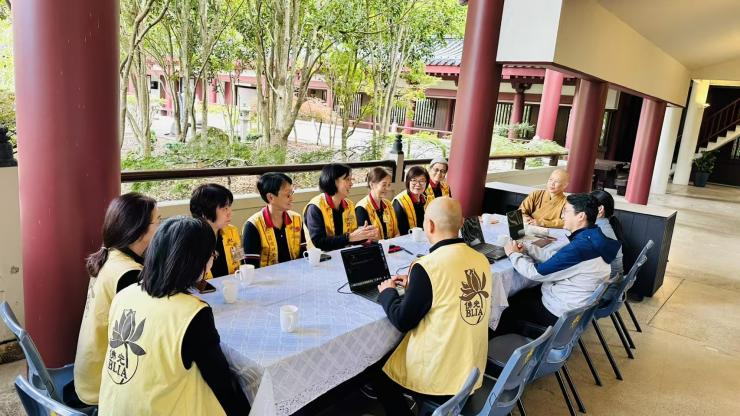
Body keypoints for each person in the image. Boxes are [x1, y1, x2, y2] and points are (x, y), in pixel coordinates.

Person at [98, 217, 250, 416]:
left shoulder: (124, 295)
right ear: (197, 262)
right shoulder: (192, 313)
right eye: (211, 254)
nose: (213, 259)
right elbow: (221, 382)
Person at [372, 197, 492, 415]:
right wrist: (415, 285)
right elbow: (450, 290)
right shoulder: (480, 259)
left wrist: (387, 292)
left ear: (429, 225)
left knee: (377, 375)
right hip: (471, 368)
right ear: (461, 223)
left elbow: (402, 320)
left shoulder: (427, 266)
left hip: (441, 374)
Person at [72, 193, 159, 406]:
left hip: (88, 372)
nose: (160, 226)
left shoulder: (110, 256)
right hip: (102, 385)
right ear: (139, 230)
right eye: (158, 221)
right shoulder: (128, 274)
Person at [495, 193, 621, 335]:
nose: (562, 216)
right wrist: (527, 248)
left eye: (566, 211)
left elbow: (535, 273)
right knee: (523, 293)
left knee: (504, 306)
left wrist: (513, 254)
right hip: (573, 309)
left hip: (558, 314)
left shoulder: (581, 248)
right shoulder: (593, 237)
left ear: (581, 216)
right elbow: (557, 259)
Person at [303, 163, 377, 250]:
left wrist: (364, 234)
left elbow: (351, 238)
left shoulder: (349, 205)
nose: (351, 184)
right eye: (347, 179)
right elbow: (319, 242)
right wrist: (349, 237)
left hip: (343, 253)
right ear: (333, 181)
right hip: (321, 256)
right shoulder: (315, 207)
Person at [242, 173, 304, 268]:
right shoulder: (253, 225)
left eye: (292, 193)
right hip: (266, 276)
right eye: (287, 195)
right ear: (270, 197)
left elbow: (303, 254)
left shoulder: (296, 219)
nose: (292, 198)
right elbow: (251, 266)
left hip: (296, 272)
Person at [190, 183, 242, 278]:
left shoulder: (232, 231)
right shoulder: (191, 241)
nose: (230, 213)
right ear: (204, 212)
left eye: (229, 207)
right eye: (224, 208)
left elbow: (240, 261)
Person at [355, 167, 399, 240]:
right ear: (372, 185)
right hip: (375, 246)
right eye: (384, 185)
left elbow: (396, 231)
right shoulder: (361, 208)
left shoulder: (388, 204)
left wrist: (396, 241)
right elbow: (365, 240)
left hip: (391, 245)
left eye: (388, 185)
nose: (387, 189)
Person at [591, 189, 625, 279]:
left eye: (588, 206)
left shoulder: (601, 231)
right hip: (611, 278)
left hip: (608, 282)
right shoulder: (603, 225)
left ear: (600, 209)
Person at [393, 166, 430, 235]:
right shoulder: (399, 202)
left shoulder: (426, 199)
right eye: (414, 180)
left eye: (422, 181)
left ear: (426, 183)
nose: (418, 184)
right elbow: (400, 229)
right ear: (408, 182)